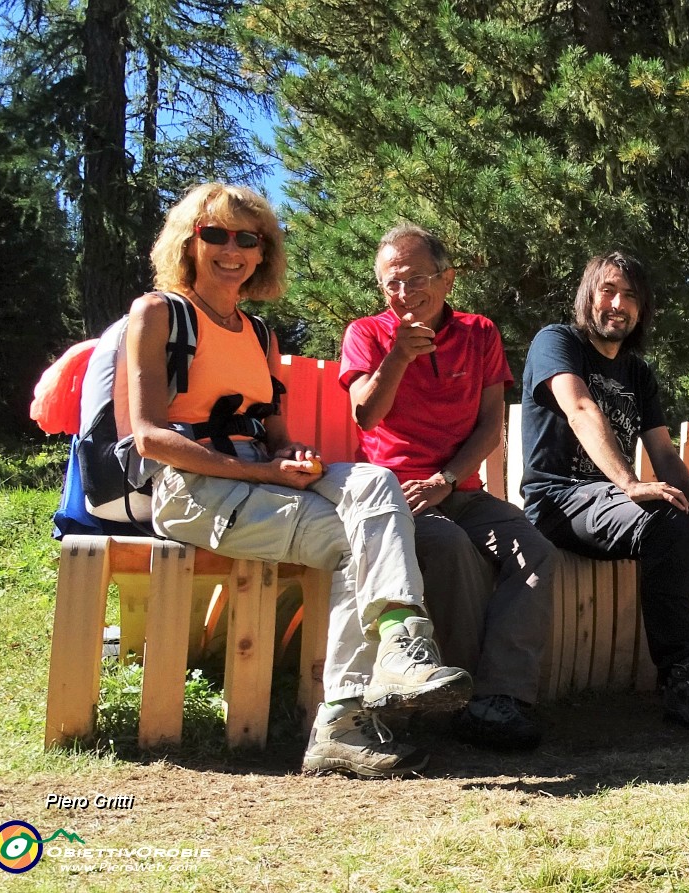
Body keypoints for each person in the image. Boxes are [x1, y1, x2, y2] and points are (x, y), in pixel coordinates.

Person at [127, 183, 470, 778]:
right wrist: (264, 470)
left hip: (262, 485)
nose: (231, 249)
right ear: (189, 242)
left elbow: (277, 435)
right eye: (215, 234)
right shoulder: (160, 314)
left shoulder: (259, 335)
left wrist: (295, 456)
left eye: (247, 239)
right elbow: (150, 436)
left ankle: (399, 647)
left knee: (374, 485)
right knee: (358, 543)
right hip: (194, 492)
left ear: (263, 253)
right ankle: (345, 717)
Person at [519, 251, 689, 735]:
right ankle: (681, 678)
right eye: (608, 290)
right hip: (561, 500)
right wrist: (630, 484)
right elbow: (582, 409)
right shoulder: (558, 342)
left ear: (642, 309)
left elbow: (664, 452)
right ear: (588, 295)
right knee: (662, 518)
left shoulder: (637, 373)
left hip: (612, 505)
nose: (617, 304)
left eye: (630, 296)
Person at [340, 224, 555, 750]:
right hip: (394, 496)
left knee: (536, 551)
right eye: (392, 283)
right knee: (450, 548)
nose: (405, 293)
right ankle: (454, 696)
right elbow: (366, 416)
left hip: (458, 488)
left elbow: (490, 427)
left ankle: (498, 699)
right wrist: (398, 357)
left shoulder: (479, 333)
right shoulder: (366, 334)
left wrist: (447, 479)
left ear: (447, 279)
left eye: (416, 279)